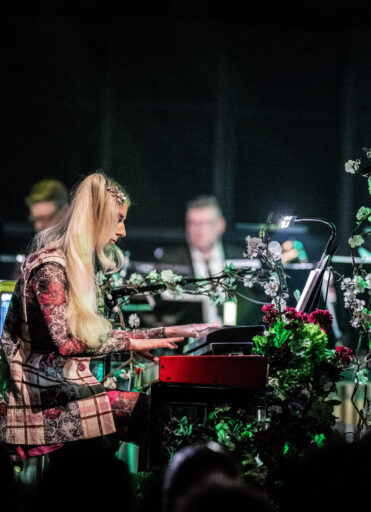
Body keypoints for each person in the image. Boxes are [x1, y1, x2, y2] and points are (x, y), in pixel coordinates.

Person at [0, 173, 216, 458]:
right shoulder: (50, 267)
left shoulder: (76, 267)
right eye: (118, 219)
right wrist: (136, 342)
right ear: (96, 219)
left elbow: (88, 338)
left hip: (60, 391)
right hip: (33, 401)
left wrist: (162, 333)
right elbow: (66, 344)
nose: (123, 230)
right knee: (151, 418)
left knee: (157, 419)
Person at [155, 195, 241, 324]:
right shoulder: (171, 262)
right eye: (192, 223)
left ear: (221, 225)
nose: (198, 230)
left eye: (205, 223)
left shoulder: (240, 258)